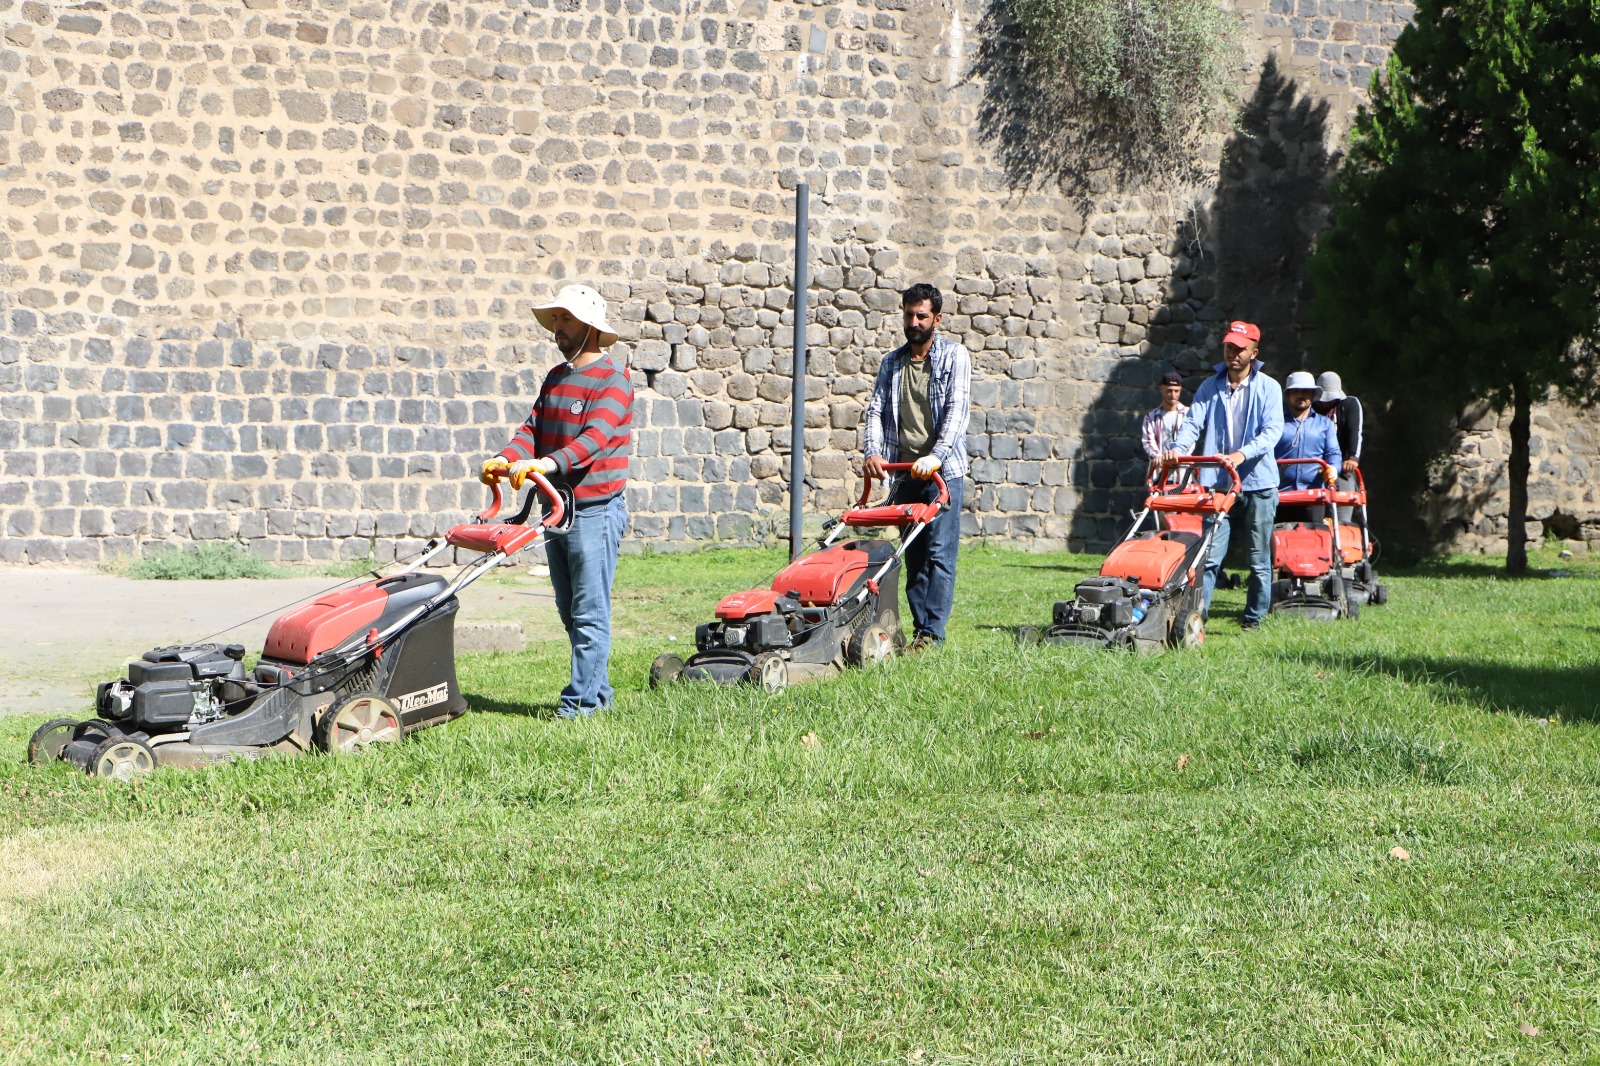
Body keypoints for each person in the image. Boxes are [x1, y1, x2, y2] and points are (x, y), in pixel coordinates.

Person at [480, 284, 633, 718]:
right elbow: (531, 428)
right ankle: (597, 696)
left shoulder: (613, 381)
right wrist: (506, 457)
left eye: (565, 319)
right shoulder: (556, 377)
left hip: (595, 511)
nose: (557, 328)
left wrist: (547, 465)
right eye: (556, 319)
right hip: (556, 509)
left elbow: (594, 440)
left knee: (589, 612)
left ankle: (580, 705)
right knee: (571, 612)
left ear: (589, 326)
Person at [862, 282, 972, 652]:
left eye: (921, 315)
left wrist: (936, 455)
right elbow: (876, 409)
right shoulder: (891, 363)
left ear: (936, 319)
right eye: (909, 314)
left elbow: (957, 412)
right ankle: (918, 627)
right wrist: (872, 452)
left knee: (939, 553)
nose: (914, 321)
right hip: (905, 470)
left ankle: (932, 635)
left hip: (942, 472)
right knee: (913, 553)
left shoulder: (954, 357)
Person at [1162, 321, 1284, 630]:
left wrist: (1241, 454)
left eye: (1240, 349)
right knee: (1210, 555)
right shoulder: (1209, 386)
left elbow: (1272, 432)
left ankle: (1254, 620)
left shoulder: (1269, 387)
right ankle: (1196, 618)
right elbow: (1193, 423)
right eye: (1229, 347)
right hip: (1219, 482)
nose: (1233, 353)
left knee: (1258, 558)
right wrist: (1178, 448)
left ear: (1254, 353)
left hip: (1258, 483)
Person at [1275, 371, 1342, 524]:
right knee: (1280, 543)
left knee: (1314, 542)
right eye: (1296, 391)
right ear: (1288, 395)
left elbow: (1333, 453)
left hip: (1314, 495)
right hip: (1279, 495)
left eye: (1306, 391)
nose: (1301, 395)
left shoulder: (1325, 424)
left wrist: (1334, 468)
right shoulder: (1275, 423)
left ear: (1313, 395)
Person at [1313, 371, 1365, 523]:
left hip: (1342, 468)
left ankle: (1341, 540)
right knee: (1314, 517)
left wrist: (1352, 457)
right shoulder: (1311, 408)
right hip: (1314, 469)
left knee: (1342, 515)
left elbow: (1355, 431)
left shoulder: (1348, 404)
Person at [1141, 368, 1189, 464]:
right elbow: (1148, 441)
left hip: (1182, 470)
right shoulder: (1151, 417)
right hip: (1160, 471)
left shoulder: (1188, 414)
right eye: (1169, 391)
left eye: (1176, 391)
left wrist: (1178, 454)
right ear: (1161, 389)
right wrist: (1157, 456)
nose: (1173, 395)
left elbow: (1190, 439)